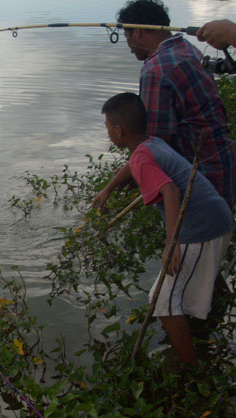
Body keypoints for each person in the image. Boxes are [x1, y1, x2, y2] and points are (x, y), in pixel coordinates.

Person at [102, 92, 233, 365]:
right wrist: (108, 189)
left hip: (201, 228)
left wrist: (171, 244)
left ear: (118, 130)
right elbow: (133, 165)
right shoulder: (150, 144)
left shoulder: (142, 158)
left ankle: (190, 369)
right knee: (190, 285)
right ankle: (213, 316)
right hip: (216, 218)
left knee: (164, 303)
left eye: (107, 128)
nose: (108, 133)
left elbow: (170, 191)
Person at [94, 0, 235, 210]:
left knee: (195, 239)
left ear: (139, 32)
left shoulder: (156, 70)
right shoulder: (187, 49)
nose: (129, 46)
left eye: (127, 36)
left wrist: (134, 171)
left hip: (198, 182)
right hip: (224, 168)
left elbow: (155, 142)